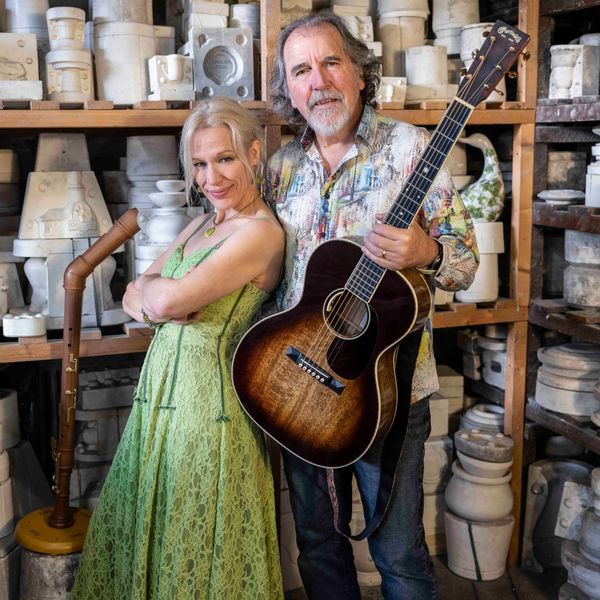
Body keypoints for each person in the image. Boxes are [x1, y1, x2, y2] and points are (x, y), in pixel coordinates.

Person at [265, 12, 479, 600]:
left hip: (387, 392)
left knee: (399, 551)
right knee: (316, 541)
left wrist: (425, 250)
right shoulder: (280, 169)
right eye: (301, 71)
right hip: (299, 382)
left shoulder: (413, 150)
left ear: (360, 73)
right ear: (290, 91)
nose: (318, 81)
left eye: (331, 62)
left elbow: (464, 264)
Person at [71, 96, 285, 600]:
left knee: (194, 538)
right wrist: (156, 300)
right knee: (152, 523)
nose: (211, 177)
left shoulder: (260, 233)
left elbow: (161, 297)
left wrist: (158, 298)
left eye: (225, 159)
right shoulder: (201, 224)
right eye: (200, 164)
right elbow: (134, 293)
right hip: (160, 396)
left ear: (254, 153)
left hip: (208, 406)